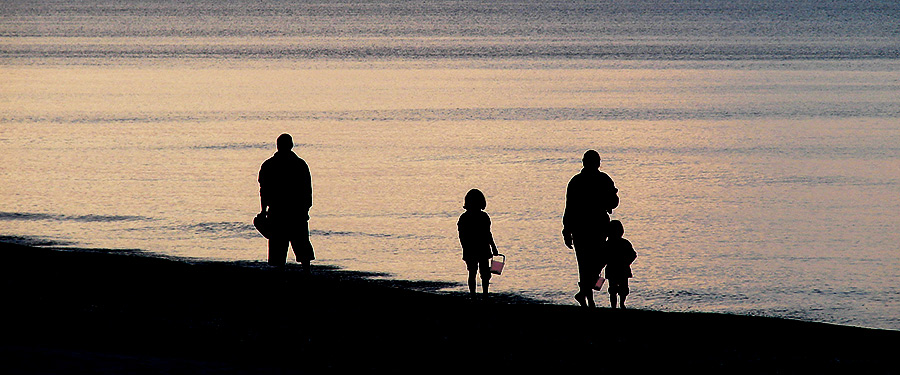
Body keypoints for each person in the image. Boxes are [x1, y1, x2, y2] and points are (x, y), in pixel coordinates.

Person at [562, 150, 618, 308]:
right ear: (598, 163)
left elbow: (569, 208)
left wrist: (566, 229)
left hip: (581, 227)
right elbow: (613, 203)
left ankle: (586, 295)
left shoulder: (576, 181)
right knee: (596, 260)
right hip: (596, 226)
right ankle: (588, 297)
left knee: (585, 263)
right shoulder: (603, 179)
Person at [258, 133, 314, 273]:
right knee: (301, 246)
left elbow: (264, 192)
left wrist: (263, 211)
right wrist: (305, 210)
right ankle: (306, 273)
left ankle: (282, 277)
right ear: (291, 145)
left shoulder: (269, 165)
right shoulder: (300, 164)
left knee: (280, 248)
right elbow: (307, 190)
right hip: (296, 212)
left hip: (279, 212)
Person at [457, 189, 499, 295]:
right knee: (484, 273)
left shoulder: (464, 217)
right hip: (482, 248)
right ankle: (484, 294)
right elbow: (488, 234)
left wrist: (465, 248)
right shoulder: (484, 216)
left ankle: (474, 296)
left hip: (471, 249)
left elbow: (462, 236)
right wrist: (493, 247)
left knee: (473, 273)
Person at [604, 220, 636, 309]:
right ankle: (621, 304)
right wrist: (627, 263)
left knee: (613, 289)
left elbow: (603, 257)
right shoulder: (625, 243)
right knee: (623, 288)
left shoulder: (607, 244)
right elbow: (633, 255)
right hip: (623, 269)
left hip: (612, 269)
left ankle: (614, 306)